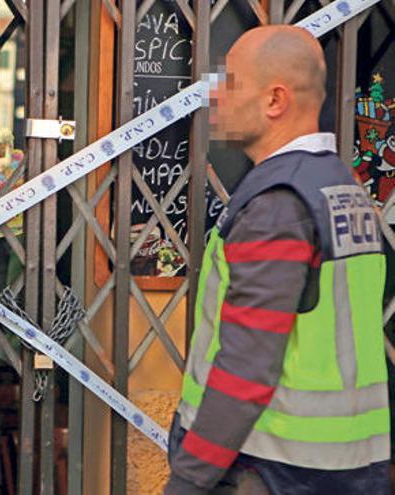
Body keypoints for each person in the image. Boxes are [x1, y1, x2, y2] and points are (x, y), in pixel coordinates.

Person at [165, 25, 390, 494]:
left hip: (270, 471)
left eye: (229, 82)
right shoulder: (341, 187)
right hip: (343, 471)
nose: (215, 96)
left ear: (275, 101)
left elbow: (247, 367)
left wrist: (188, 480)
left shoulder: (277, 206)